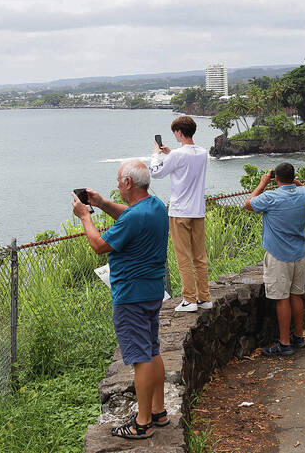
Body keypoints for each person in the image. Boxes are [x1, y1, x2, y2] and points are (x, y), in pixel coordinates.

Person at [72, 159, 169, 439]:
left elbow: (99, 246)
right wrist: (102, 203)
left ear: (128, 183)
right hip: (151, 291)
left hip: (131, 296)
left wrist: (85, 217)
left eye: (118, 180)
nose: (116, 185)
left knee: (141, 358)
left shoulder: (136, 216)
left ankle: (143, 422)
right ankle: (158, 411)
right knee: (151, 350)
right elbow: (130, 215)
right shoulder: (155, 207)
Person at [245, 162, 305, 355]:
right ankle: (299, 337)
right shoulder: (304, 194)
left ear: (276, 178)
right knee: (296, 295)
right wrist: (296, 182)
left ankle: (284, 344)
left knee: (282, 298)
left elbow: (248, 204)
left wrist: (262, 184)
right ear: (293, 178)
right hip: (298, 253)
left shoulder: (271, 197)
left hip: (278, 255)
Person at [149, 115, 210, 313]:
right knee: (199, 256)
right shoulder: (202, 153)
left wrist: (156, 154)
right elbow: (185, 159)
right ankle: (204, 297)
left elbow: (155, 172)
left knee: (183, 256)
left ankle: (189, 299)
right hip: (198, 211)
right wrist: (171, 152)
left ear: (179, 132)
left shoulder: (177, 155)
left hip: (179, 211)